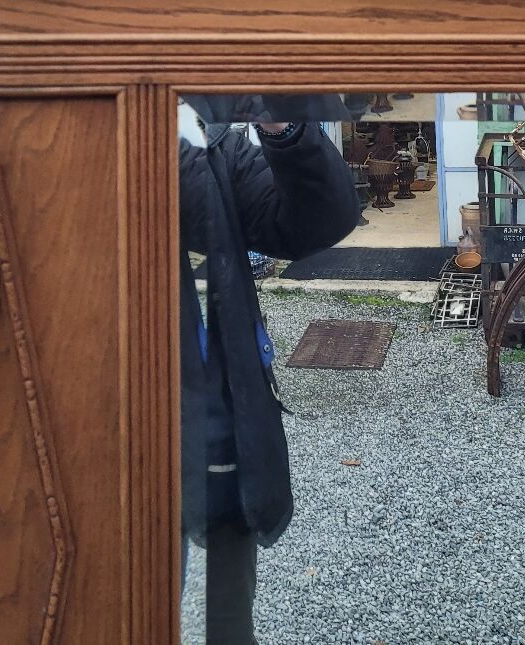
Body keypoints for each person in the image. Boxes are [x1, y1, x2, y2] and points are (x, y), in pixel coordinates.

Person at [178, 96, 359, 644]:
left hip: (216, 423)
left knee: (226, 612)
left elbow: (312, 221)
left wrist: (282, 122)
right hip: (104, 421)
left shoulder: (198, 140)